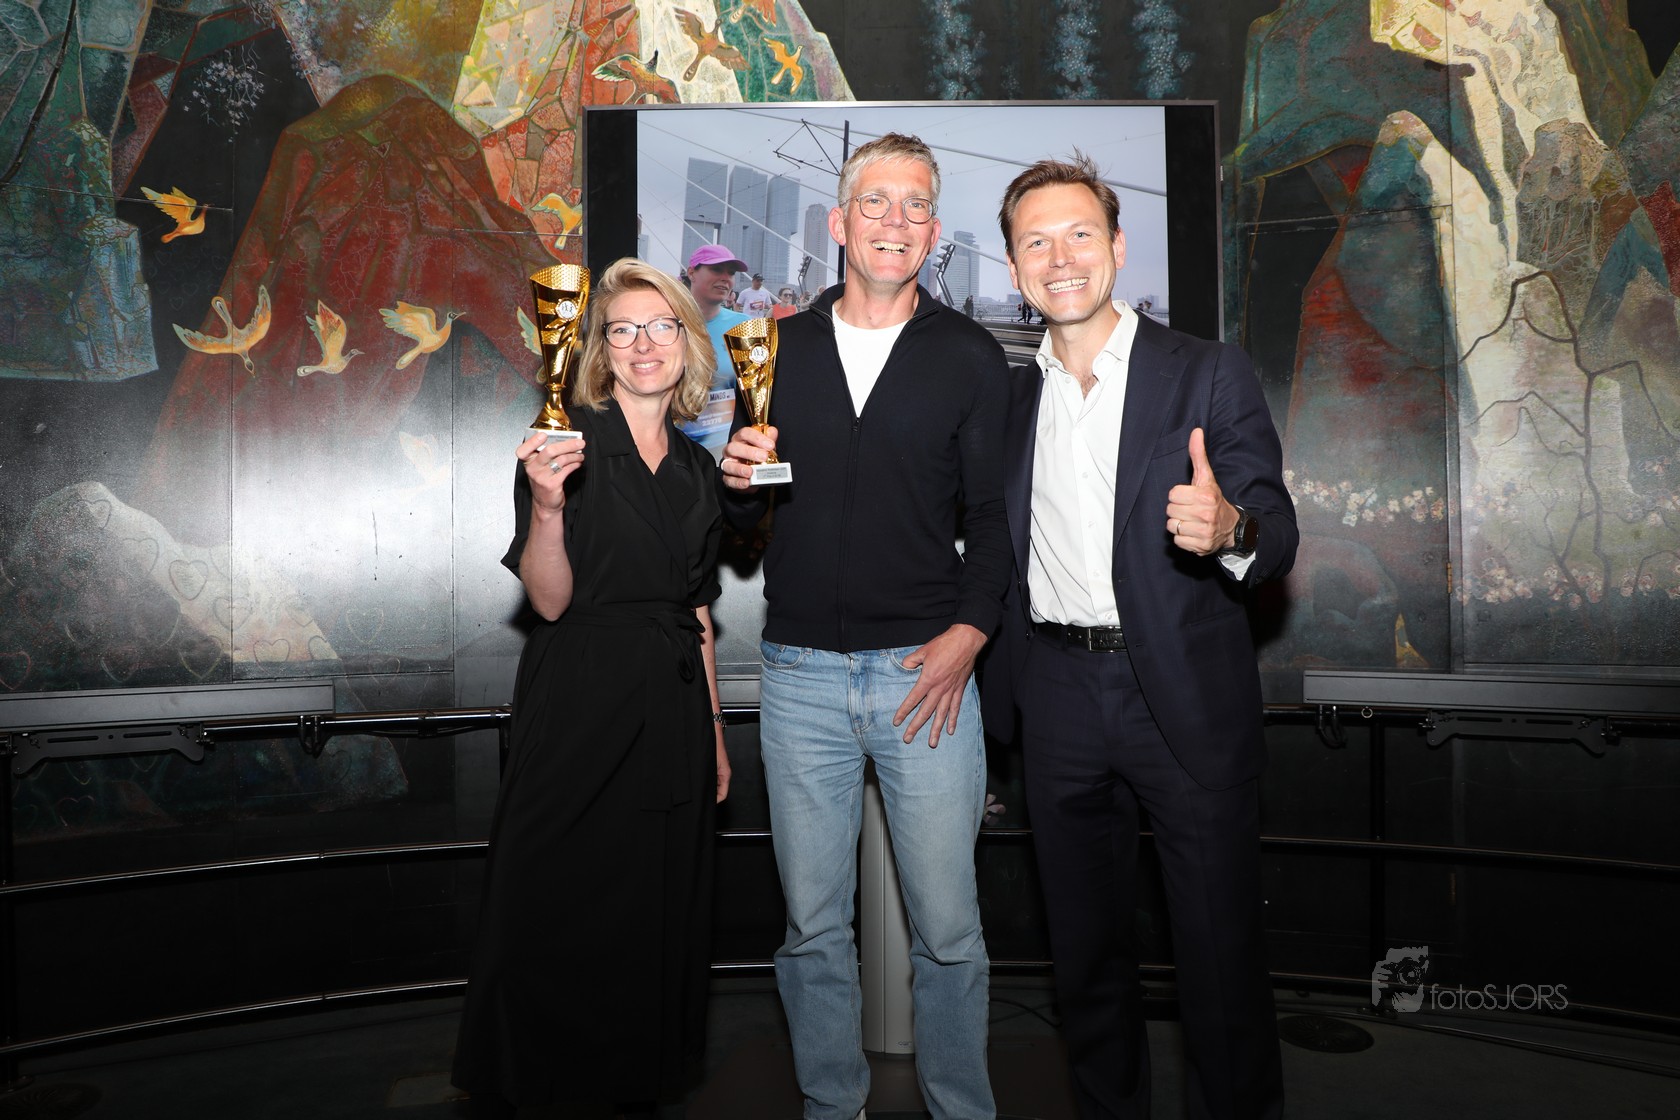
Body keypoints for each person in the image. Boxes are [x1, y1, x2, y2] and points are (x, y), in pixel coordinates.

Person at [982, 154, 1296, 1119]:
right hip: (1058, 699)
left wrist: (1230, 528)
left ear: (1117, 247)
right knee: (1085, 964)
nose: (1060, 257)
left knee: (1219, 960)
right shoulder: (1012, 402)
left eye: (1080, 234)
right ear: (1014, 267)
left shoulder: (1205, 370)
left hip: (1184, 701)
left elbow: (1276, 531)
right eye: (1036, 242)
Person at [720, 133, 1009, 1120]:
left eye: (916, 204)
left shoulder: (969, 355)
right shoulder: (775, 349)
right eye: (875, 202)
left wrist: (970, 635)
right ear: (840, 224)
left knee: (950, 932)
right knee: (811, 929)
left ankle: (962, 1110)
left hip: (927, 673)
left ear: (934, 229)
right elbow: (745, 528)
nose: (896, 220)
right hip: (799, 675)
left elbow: (993, 521)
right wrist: (736, 484)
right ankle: (830, 1107)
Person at [454, 258, 731, 1118]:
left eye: (662, 327)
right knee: (554, 901)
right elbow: (548, 601)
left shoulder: (697, 468)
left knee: (654, 909)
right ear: (601, 351)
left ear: (688, 343)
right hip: (581, 697)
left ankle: (635, 1087)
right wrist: (545, 509)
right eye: (623, 330)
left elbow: (696, 609)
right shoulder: (562, 441)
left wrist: (714, 731)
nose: (644, 344)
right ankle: (539, 1090)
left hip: (672, 706)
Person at [680, 243, 750, 458]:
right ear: (692, 273)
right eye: (717, 269)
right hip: (673, 448)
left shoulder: (745, 327)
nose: (726, 278)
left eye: (731, 273)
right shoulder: (664, 323)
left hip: (727, 450)